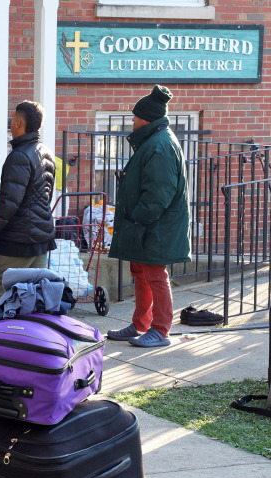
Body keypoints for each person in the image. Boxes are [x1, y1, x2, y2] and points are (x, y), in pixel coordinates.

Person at [106, 85, 190, 348]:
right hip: (146, 225)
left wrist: (138, 219)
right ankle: (141, 324)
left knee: (155, 274)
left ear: (147, 118)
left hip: (154, 226)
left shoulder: (160, 145)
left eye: (135, 116)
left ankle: (161, 330)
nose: (132, 120)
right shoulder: (155, 141)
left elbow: (158, 194)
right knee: (141, 272)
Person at [0, 101, 57, 321]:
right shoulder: (46, 152)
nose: (11, 122)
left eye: (13, 118)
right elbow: (46, 198)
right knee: (30, 298)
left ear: (19, 122)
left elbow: (9, 205)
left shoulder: (19, 156)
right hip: (41, 240)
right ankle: (22, 348)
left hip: (16, 241)